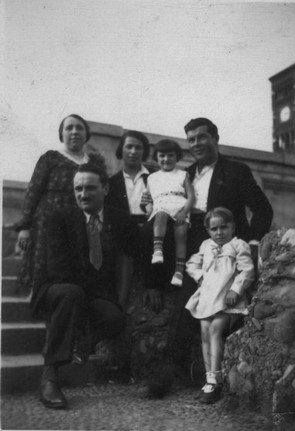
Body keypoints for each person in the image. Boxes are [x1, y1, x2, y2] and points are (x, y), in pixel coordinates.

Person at [145, 117, 273, 396]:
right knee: (184, 307)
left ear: (215, 138)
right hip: (193, 252)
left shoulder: (236, 170)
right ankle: (167, 377)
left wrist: (250, 244)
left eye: (201, 137)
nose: (196, 144)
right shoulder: (185, 174)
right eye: (190, 139)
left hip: (226, 253)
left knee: (221, 315)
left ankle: (219, 381)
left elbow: (262, 209)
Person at [37, 160, 139, 409]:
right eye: (78, 189)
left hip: (93, 294)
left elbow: (128, 258)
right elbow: (58, 270)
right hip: (57, 289)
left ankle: (84, 343)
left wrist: (119, 302)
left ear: (105, 189)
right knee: (71, 293)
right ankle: (50, 377)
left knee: (115, 318)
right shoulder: (60, 217)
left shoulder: (120, 219)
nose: (83, 194)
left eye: (90, 188)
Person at [15, 114, 94, 298]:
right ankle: (38, 295)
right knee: (44, 256)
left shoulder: (92, 162)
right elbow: (33, 190)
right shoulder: (50, 158)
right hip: (47, 216)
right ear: (62, 134)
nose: (74, 132)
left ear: (86, 133)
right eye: (69, 128)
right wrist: (24, 227)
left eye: (79, 128)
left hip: (79, 217)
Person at [185, 207, 255, 403]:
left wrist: (236, 289)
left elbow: (247, 270)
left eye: (224, 227)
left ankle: (216, 381)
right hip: (208, 297)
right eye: (214, 229)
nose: (219, 233)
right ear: (208, 230)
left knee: (215, 329)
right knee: (205, 331)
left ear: (232, 227)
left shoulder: (238, 245)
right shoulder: (206, 245)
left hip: (227, 299)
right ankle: (209, 379)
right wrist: (200, 277)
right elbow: (191, 264)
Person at [107, 130, 176, 310]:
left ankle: (155, 285)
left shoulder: (157, 177)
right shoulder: (111, 183)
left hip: (152, 224)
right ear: (121, 150)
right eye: (129, 146)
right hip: (124, 229)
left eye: (139, 147)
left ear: (144, 152)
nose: (133, 151)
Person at [142, 139, 194, 287]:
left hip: (179, 205)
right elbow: (147, 199)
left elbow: (191, 196)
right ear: (156, 158)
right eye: (162, 156)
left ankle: (178, 272)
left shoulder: (183, 174)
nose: (166, 159)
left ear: (177, 157)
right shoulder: (152, 177)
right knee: (161, 213)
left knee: (181, 234)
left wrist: (184, 212)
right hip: (161, 205)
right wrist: (148, 208)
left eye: (170, 155)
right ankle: (157, 250)